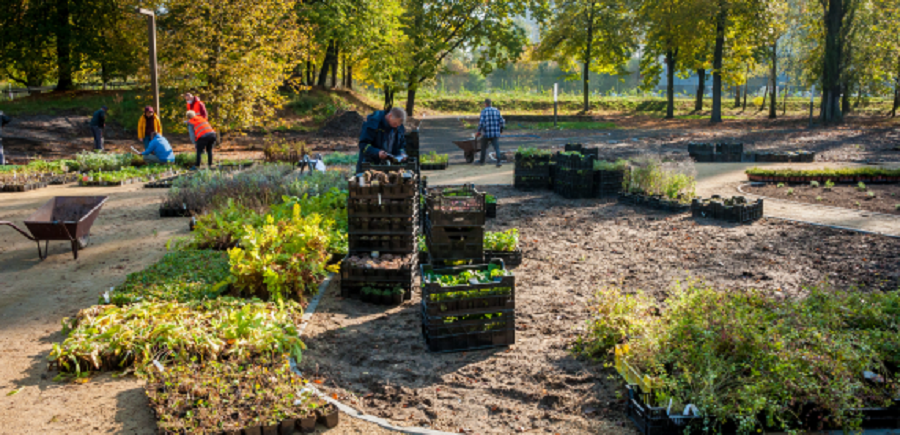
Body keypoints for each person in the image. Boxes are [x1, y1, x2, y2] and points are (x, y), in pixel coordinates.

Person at [356, 107, 408, 173]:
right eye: (395, 123)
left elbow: (401, 145)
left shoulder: (399, 127)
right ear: (390, 116)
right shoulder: (373, 123)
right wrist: (377, 152)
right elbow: (363, 144)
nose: (396, 127)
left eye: (398, 125)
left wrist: (402, 153)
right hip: (369, 166)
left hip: (388, 167)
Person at [475, 98, 505, 167]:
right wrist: (501, 129)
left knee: (483, 147)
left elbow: (481, 123)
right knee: (496, 147)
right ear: (490, 103)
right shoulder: (496, 110)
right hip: (495, 133)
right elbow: (502, 121)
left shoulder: (484, 111)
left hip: (486, 133)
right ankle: (499, 162)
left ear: (485, 104)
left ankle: (482, 161)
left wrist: (479, 131)